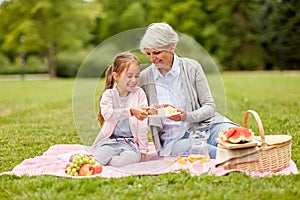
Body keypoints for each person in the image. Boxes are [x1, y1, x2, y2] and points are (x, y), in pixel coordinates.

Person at [139, 22, 239, 159]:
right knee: (205, 150)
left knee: (237, 136)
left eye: (157, 52)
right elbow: (135, 109)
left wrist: (186, 116)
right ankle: (237, 157)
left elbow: (209, 106)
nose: (152, 58)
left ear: (172, 46)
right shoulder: (144, 77)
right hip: (174, 141)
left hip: (206, 126)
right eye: (148, 53)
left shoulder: (192, 67)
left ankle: (241, 154)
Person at [91, 52, 149, 167]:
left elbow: (143, 125)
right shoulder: (108, 95)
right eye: (129, 76)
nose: (134, 80)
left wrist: (143, 152)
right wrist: (130, 111)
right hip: (110, 141)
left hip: (130, 144)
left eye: (137, 76)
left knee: (123, 162)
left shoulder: (139, 94)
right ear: (116, 76)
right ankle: (101, 159)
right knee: (96, 160)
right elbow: (108, 115)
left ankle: (111, 162)